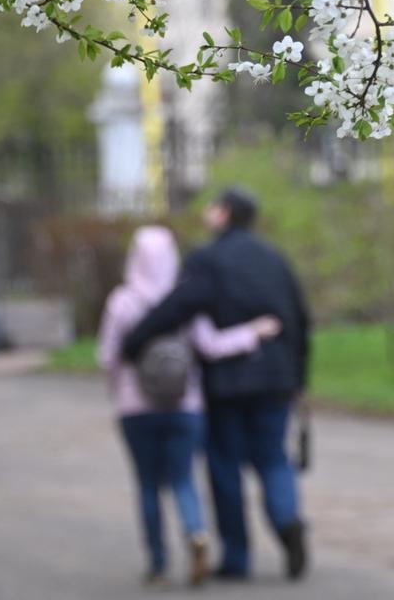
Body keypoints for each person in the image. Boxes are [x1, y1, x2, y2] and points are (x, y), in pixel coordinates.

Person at [122, 189, 312, 582]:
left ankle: (237, 559)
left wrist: (134, 341)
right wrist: (298, 378)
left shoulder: (207, 260)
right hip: (276, 376)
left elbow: (177, 306)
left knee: (225, 468)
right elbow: (299, 319)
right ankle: (287, 519)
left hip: (226, 382)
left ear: (224, 214)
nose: (207, 213)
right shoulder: (274, 258)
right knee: (274, 458)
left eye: (212, 207)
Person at [97, 225, 281, 587]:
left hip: (136, 408)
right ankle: (196, 533)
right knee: (183, 479)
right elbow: (211, 346)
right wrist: (252, 332)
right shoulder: (185, 299)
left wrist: (118, 393)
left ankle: (158, 564)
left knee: (148, 484)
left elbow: (108, 356)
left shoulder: (122, 301)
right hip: (186, 405)